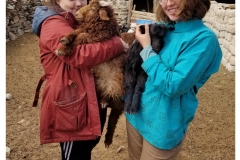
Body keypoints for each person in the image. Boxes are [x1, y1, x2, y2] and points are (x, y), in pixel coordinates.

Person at [125, 0, 222, 159]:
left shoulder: (204, 39)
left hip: (162, 126)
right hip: (136, 113)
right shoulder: (165, 28)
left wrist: (147, 48)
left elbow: (173, 85)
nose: (168, 4)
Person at [31, 0, 128, 160]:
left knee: (85, 149)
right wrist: (117, 44)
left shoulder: (73, 20)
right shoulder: (53, 22)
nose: (78, 3)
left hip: (87, 99)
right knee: (75, 154)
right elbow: (79, 54)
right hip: (72, 106)